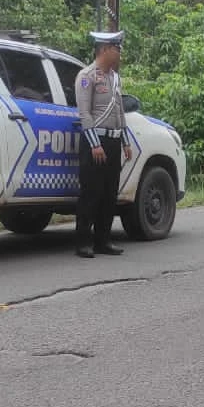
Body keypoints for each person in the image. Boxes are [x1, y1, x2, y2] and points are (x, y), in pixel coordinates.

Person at [72, 30, 132, 259]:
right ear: (105, 50)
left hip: (114, 140)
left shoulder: (115, 78)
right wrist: (95, 144)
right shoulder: (86, 76)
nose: (119, 53)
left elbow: (120, 111)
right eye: (116, 49)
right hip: (94, 142)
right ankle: (83, 243)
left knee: (109, 194)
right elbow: (84, 113)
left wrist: (125, 140)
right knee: (91, 193)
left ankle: (103, 240)